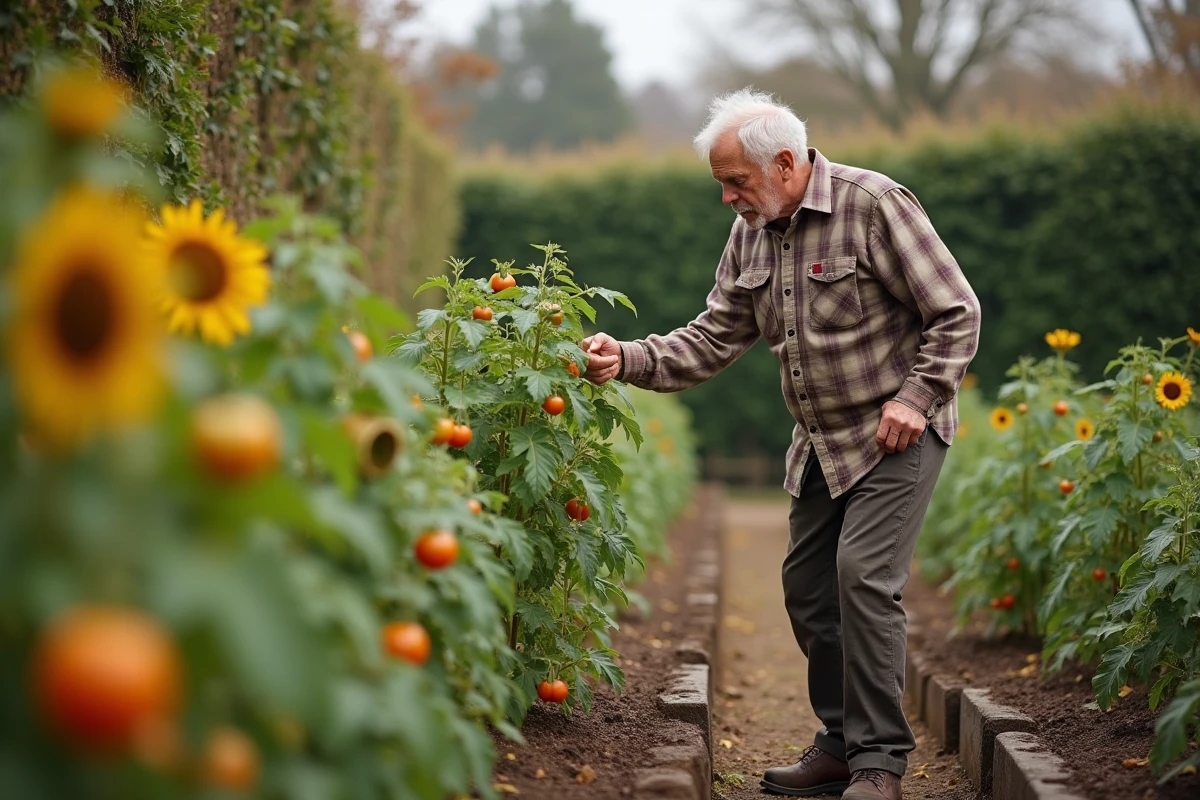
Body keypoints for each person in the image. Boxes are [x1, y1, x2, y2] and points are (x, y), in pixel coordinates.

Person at [581, 89, 981, 800]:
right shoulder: (752, 232)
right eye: (722, 184)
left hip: (896, 434)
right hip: (822, 443)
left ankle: (880, 763)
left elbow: (956, 313)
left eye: (736, 181)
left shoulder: (874, 205)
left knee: (862, 578)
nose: (728, 197)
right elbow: (713, 336)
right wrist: (629, 357)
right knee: (807, 592)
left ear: (787, 162)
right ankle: (838, 742)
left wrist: (917, 399)